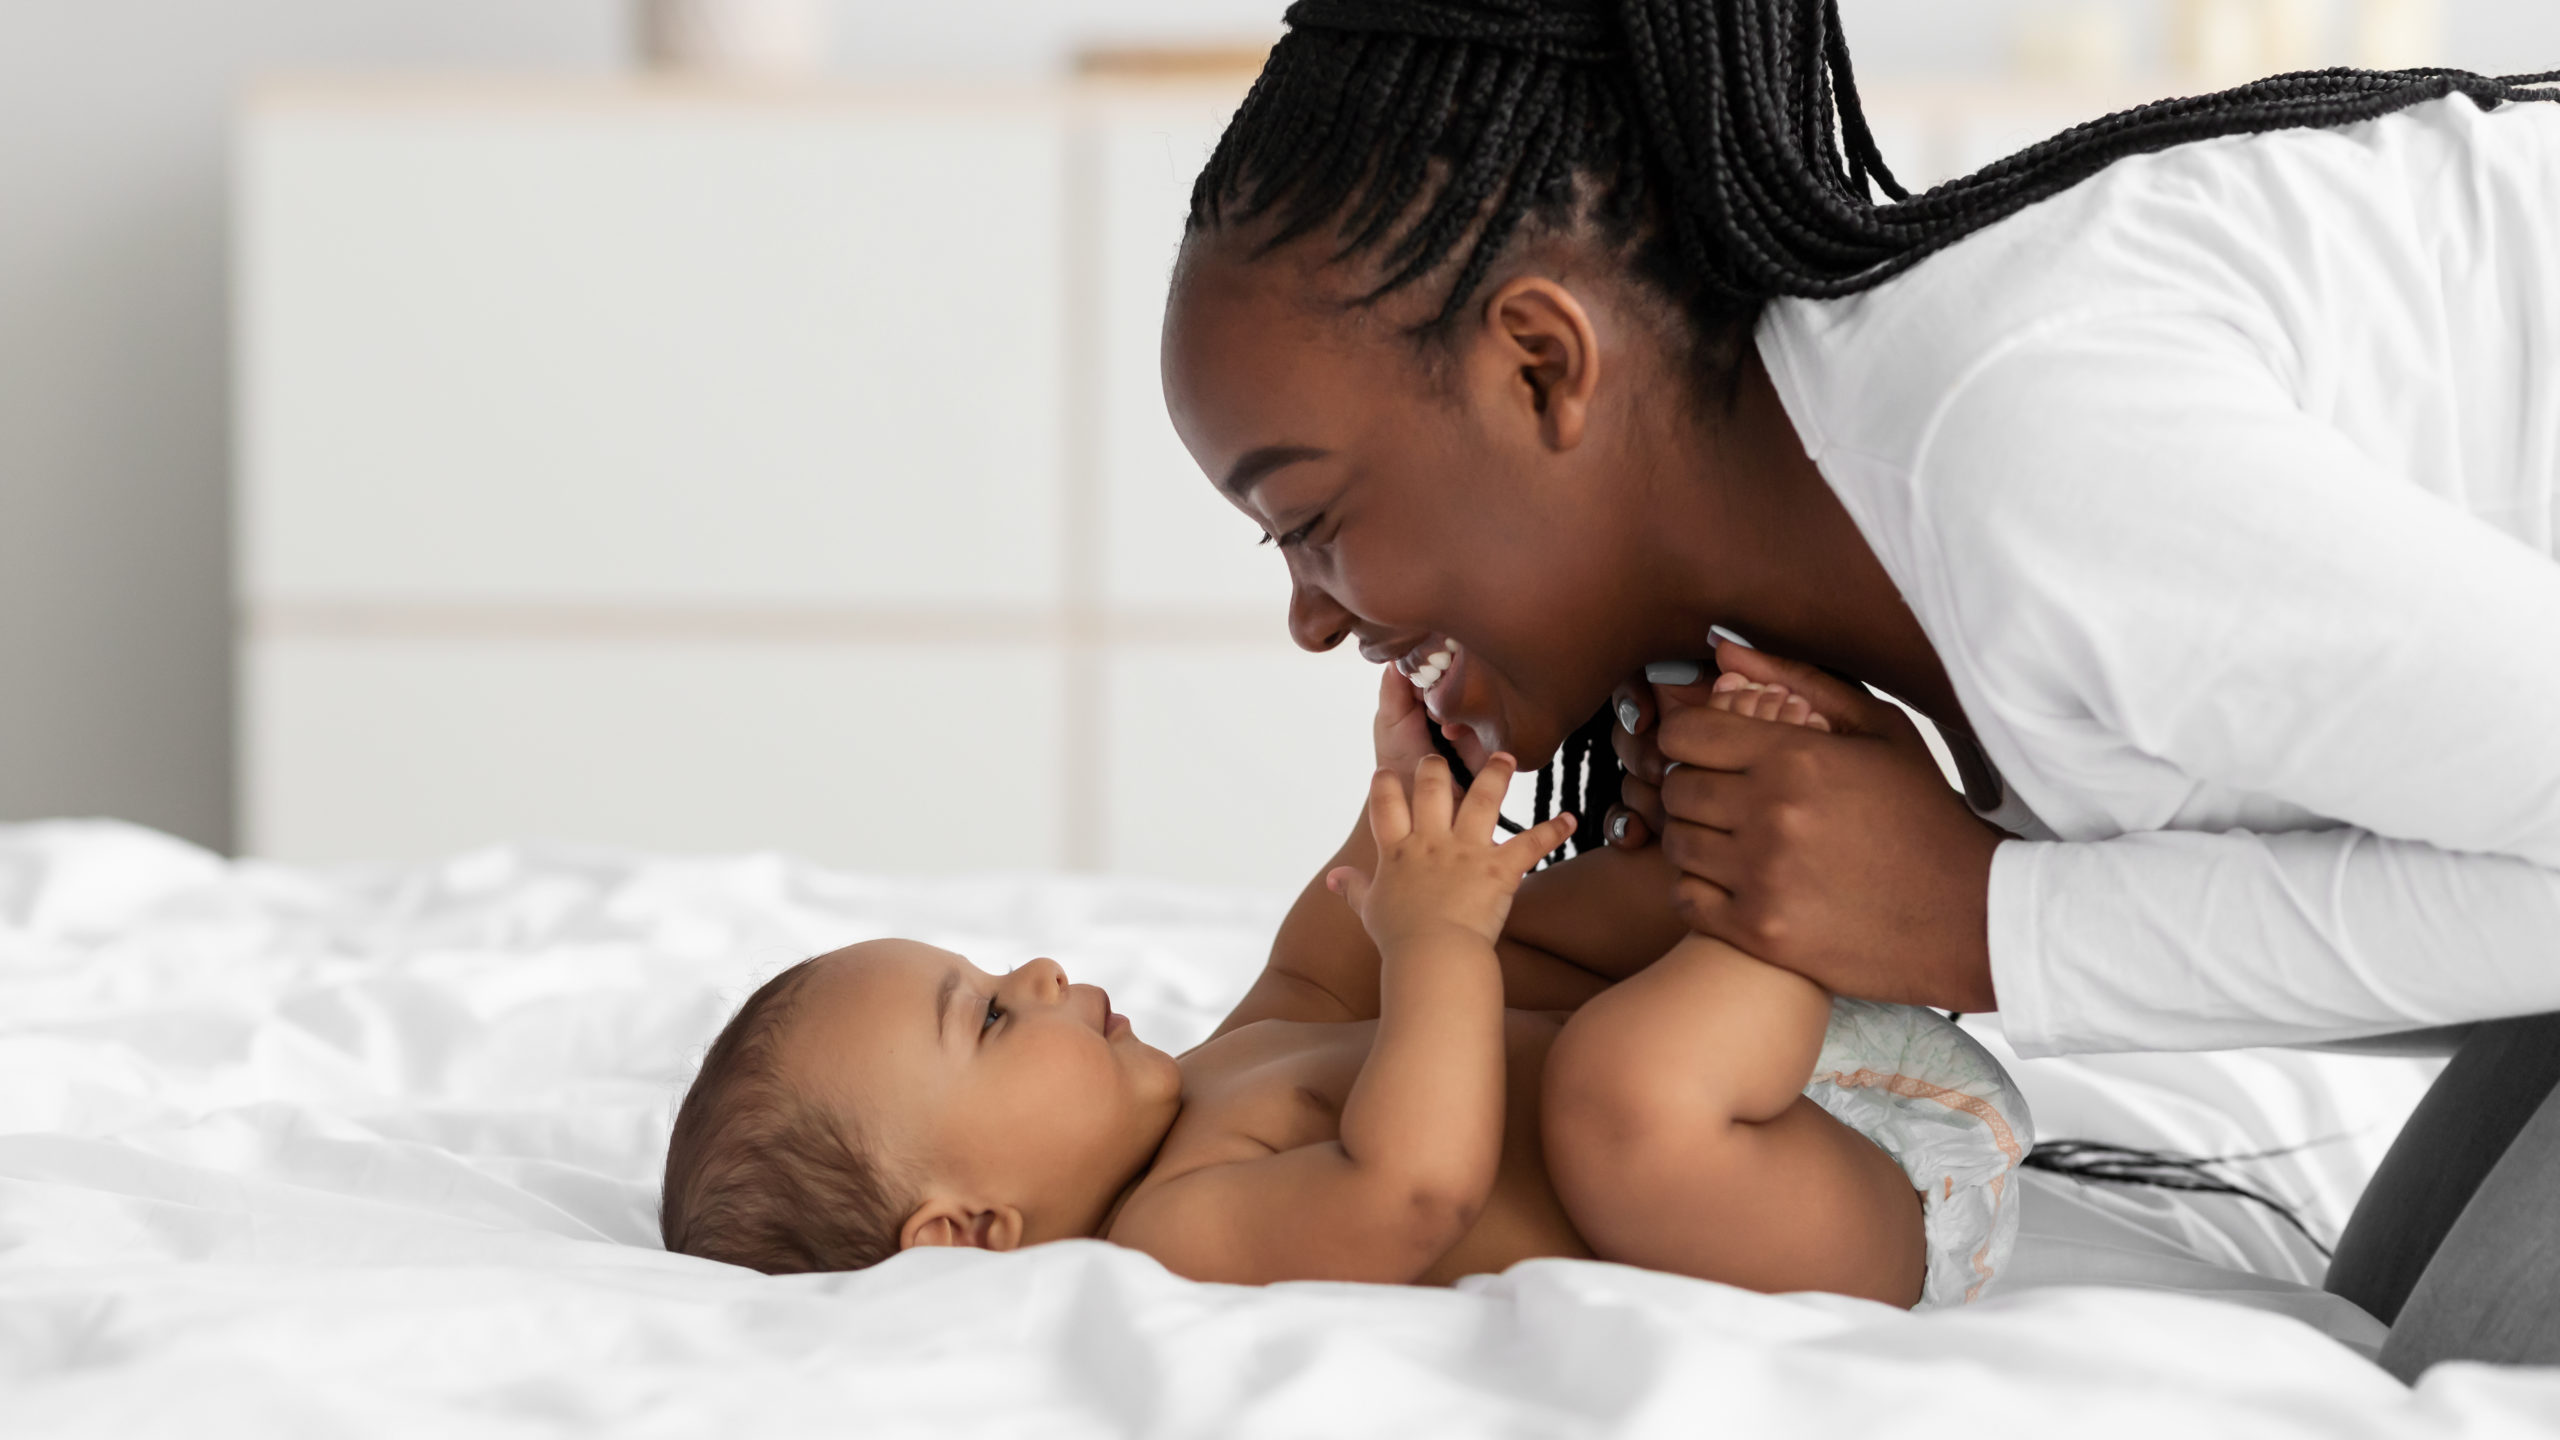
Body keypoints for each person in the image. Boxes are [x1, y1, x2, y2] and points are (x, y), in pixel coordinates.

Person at [1154, 0, 2559, 1379]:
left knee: (2449, 1387)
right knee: (2374, 1346)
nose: (1307, 618)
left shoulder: (2038, 474)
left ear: (1541, 365)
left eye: (1310, 519)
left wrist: (1987, 925)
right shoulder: (1887, 534)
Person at [658, 671, 2032, 1309]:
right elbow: (1412, 1187)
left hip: (1792, 1073)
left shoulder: (1207, 1071)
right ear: (969, 1232)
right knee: (1604, 1086)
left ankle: (1716, 852)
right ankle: (1794, 895)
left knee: (1505, 923)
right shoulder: (1174, 1239)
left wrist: (1408, 789)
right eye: (992, 1018)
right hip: (1865, 1186)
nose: (1038, 970)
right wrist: (1435, 947)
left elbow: (1333, 949)